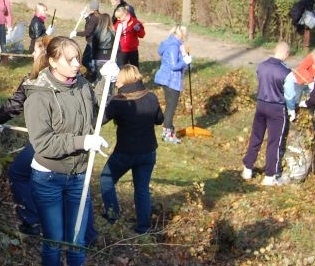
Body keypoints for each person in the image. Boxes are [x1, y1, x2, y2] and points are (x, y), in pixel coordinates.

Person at [23, 36, 113, 266]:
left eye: (78, 59)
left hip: (79, 175)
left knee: (77, 243)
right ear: (53, 62)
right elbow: (43, 143)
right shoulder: (39, 96)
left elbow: (95, 118)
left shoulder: (81, 85)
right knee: (53, 241)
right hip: (48, 177)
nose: (77, 64)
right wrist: (82, 142)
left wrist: (107, 82)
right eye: (71, 60)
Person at [0, 34, 54, 236]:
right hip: (62, 138)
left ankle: (31, 220)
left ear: (43, 55)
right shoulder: (65, 78)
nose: (32, 53)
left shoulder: (33, 81)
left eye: (35, 50)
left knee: (18, 173)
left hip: (45, 140)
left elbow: (14, 105)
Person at [100, 63, 165, 234]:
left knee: (106, 179)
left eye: (118, 81)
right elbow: (160, 119)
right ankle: (143, 227)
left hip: (125, 153)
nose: (116, 84)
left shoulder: (119, 102)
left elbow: (100, 120)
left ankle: (113, 216)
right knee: (142, 189)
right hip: (148, 152)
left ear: (124, 81)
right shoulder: (151, 97)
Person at [241, 41, 291, 185]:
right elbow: (289, 95)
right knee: (274, 142)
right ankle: (270, 175)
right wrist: (292, 109)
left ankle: (248, 168)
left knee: (256, 137)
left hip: (261, 104)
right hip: (276, 109)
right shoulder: (286, 72)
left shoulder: (261, 66)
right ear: (286, 54)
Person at [153, 25, 192, 144]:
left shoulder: (173, 44)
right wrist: (185, 61)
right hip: (171, 80)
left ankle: (168, 130)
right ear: (181, 35)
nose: (184, 39)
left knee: (170, 106)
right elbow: (174, 65)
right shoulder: (174, 46)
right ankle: (167, 133)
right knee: (171, 107)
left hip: (167, 79)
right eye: (184, 36)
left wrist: (185, 56)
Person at [284, 46, 315, 120]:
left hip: (312, 84)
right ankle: (290, 116)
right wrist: (309, 80)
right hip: (300, 82)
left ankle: (309, 118)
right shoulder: (311, 57)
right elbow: (302, 68)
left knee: (312, 100)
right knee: (296, 101)